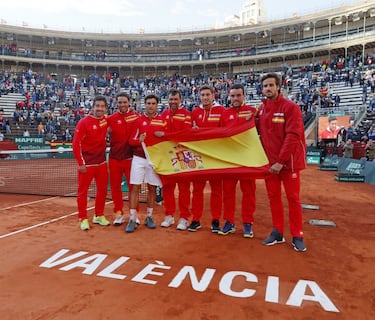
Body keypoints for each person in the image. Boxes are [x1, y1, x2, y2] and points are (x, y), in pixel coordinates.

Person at [256, 73, 307, 252]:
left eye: (271, 85)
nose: (268, 88)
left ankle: (297, 235)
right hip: (270, 165)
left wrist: (280, 161)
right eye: (265, 86)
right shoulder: (261, 110)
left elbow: (293, 136)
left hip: (288, 164)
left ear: (278, 86)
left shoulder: (290, 107)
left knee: (293, 199)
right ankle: (277, 231)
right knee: (273, 198)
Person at [218, 83, 257, 237]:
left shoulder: (252, 112)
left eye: (238, 95)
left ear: (244, 96)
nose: (235, 98)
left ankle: (248, 223)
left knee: (249, 193)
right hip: (229, 160)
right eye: (233, 96)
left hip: (248, 160)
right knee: (228, 193)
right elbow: (219, 134)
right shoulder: (225, 114)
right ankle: (229, 222)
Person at [126, 94, 166, 233]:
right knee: (135, 188)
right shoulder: (138, 121)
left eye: (153, 103)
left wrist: (164, 136)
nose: (150, 106)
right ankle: (132, 218)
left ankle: (149, 217)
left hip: (153, 160)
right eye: (148, 103)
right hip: (138, 158)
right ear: (145, 105)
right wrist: (139, 140)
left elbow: (166, 141)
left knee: (152, 189)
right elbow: (131, 141)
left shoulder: (162, 121)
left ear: (157, 105)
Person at [188, 85, 225, 232]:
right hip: (199, 158)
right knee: (197, 190)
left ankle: (215, 220)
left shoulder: (221, 111)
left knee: (217, 190)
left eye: (207, 94)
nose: (205, 97)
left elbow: (225, 131)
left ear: (213, 95)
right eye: (202, 95)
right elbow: (190, 132)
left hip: (215, 157)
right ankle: (196, 219)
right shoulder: (195, 112)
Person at [72, 95, 110, 231]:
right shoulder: (83, 122)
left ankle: (99, 215)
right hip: (87, 164)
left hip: (101, 163)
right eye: (97, 106)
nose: (99, 109)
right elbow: (76, 144)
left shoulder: (106, 120)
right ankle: (83, 218)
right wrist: (81, 163)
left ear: (105, 108)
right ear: (93, 107)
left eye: (102, 106)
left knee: (102, 190)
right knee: (83, 192)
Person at [158, 89, 192, 230]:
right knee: (167, 188)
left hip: (183, 155)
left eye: (175, 99)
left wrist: (165, 134)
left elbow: (185, 135)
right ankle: (169, 215)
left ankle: (184, 218)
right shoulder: (163, 114)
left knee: (184, 189)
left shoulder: (187, 115)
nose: (173, 102)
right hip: (167, 157)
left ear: (180, 100)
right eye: (171, 99)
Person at [107, 92, 140, 226]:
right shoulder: (111, 118)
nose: (122, 105)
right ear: (117, 104)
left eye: (124, 102)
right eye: (120, 102)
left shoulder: (136, 117)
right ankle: (119, 214)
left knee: (133, 188)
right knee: (115, 188)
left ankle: (134, 214)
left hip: (131, 158)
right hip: (114, 158)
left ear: (129, 103)